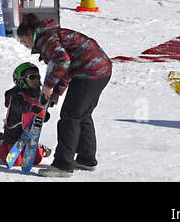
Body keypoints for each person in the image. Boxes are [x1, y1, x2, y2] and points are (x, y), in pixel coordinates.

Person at [16, 13, 113, 176]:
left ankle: (63, 165)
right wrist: (57, 92)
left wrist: (48, 87)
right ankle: (86, 158)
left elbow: (63, 62)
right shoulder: (50, 35)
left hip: (89, 72)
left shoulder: (46, 40)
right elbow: (67, 67)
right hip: (100, 70)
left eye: (24, 41)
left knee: (70, 117)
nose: (24, 44)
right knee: (82, 114)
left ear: (29, 34)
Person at [0, 62, 52, 165]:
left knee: (36, 160)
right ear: (21, 80)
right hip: (13, 136)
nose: (36, 80)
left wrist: (45, 113)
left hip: (29, 136)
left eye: (37, 77)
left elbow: (43, 115)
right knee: (15, 161)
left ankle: (39, 148)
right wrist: (32, 108)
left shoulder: (38, 95)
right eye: (32, 77)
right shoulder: (15, 95)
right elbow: (19, 106)